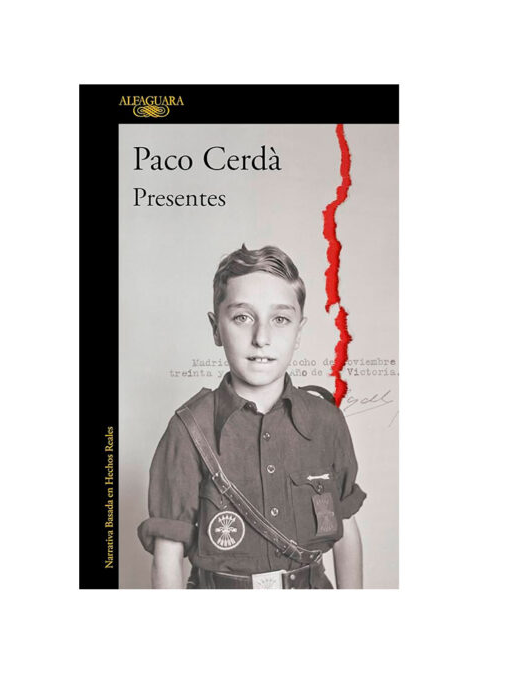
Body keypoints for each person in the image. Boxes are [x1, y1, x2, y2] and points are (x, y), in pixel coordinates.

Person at [137, 244, 366, 589]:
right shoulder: (188, 429)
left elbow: (345, 526)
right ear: (216, 328)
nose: (262, 338)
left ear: (299, 331)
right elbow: (168, 554)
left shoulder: (326, 421)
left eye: (280, 319)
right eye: (242, 318)